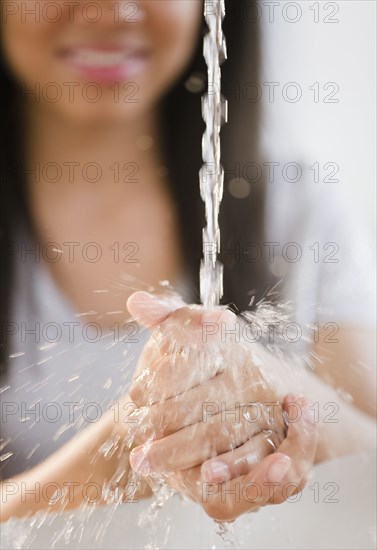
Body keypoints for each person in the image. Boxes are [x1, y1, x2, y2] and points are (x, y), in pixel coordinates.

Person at [0, 0, 375, 524]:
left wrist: (274, 392)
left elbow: (370, 446)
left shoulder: (295, 206)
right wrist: (130, 452)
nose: (112, 11)